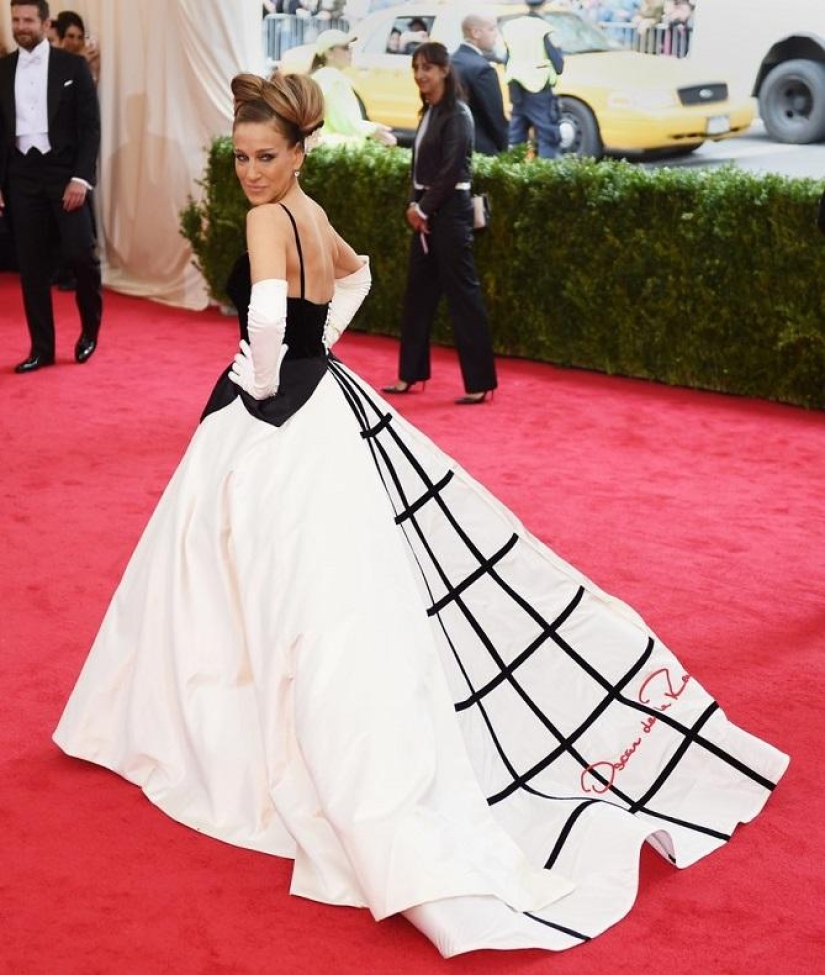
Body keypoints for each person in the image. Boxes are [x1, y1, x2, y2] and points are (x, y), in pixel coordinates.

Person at [52, 68, 788, 960]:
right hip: (322, 405)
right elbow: (356, 276)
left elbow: (269, 325)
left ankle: (219, 736)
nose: (249, 172)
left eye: (265, 157)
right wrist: (314, 352)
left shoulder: (266, 220)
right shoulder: (309, 209)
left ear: (298, 151)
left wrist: (259, 382)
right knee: (306, 589)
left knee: (245, 581)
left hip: (273, 416)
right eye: (241, 157)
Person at [383, 42, 497, 404]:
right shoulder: (430, 112)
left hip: (450, 214)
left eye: (427, 68)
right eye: (416, 68)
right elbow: (420, 169)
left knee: (463, 296)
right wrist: (415, 206)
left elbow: (452, 171)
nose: (420, 75)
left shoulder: (458, 114)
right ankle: (410, 375)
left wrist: (422, 210)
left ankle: (480, 383)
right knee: (417, 295)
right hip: (428, 213)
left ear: (445, 70)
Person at [0, 0, 101, 372]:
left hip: (65, 173)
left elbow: (90, 127)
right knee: (31, 266)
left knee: (81, 254)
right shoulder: (2, 69)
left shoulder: (72, 66)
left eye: (28, 20)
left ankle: (90, 330)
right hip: (21, 175)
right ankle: (41, 348)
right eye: (15, 20)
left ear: (45, 24)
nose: (21, 26)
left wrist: (80, 178)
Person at [310, 28, 396, 146]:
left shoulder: (320, 76)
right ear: (329, 54)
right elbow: (345, 123)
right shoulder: (334, 79)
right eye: (345, 48)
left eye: (350, 47)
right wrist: (373, 129)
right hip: (337, 149)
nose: (350, 51)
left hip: (324, 147)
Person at [501, 0, 565, 159]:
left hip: (516, 89)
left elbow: (507, 59)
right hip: (539, 90)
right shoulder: (543, 28)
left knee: (516, 139)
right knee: (548, 137)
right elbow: (558, 65)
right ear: (545, 4)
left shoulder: (513, 27)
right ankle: (544, 174)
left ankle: (512, 173)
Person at [451, 13, 508, 156]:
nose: (496, 34)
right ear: (476, 33)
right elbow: (495, 118)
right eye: (491, 29)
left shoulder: (449, 61)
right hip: (479, 150)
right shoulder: (482, 69)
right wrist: (505, 149)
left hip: (450, 145)